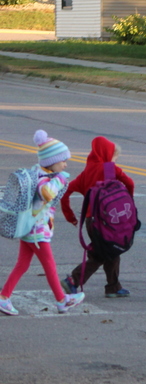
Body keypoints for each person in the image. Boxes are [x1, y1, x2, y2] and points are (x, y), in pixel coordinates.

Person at [0, 130, 85, 316]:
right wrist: (61, 179)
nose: (65, 164)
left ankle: (4, 297)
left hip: (29, 229)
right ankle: (62, 301)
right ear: (52, 161)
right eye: (63, 160)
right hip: (37, 231)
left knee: (22, 264)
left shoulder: (38, 172)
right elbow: (46, 193)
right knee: (50, 266)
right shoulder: (44, 179)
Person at [60, 136, 134, 298]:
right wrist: (128, 202)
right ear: (108, 154)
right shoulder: (110, 169)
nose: (115, 161)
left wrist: (70, 215)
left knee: (112, 251)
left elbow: (66, 191)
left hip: (90, 221)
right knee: (102, 254)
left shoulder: (85, 173)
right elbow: (130, 183)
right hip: (108, 221)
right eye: (115, 157)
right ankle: (73, 280)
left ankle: (113, 287)